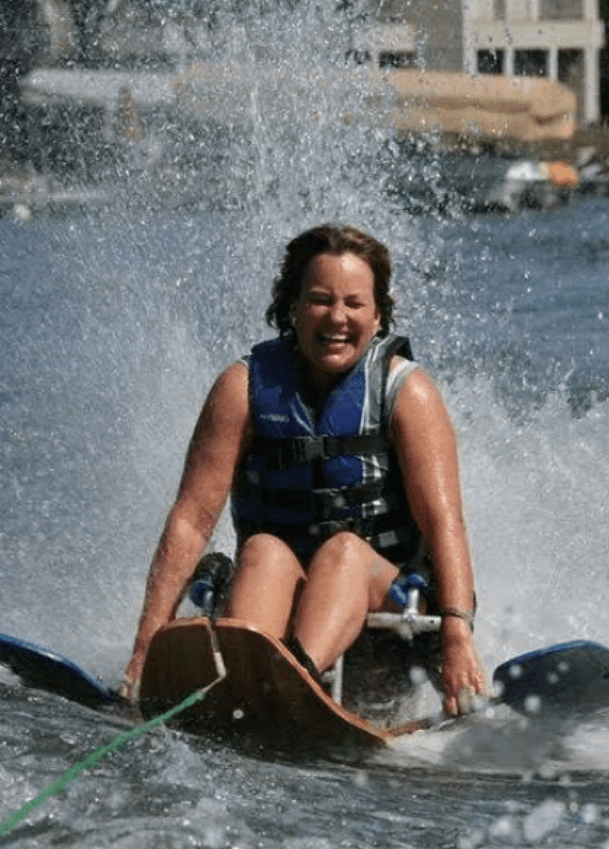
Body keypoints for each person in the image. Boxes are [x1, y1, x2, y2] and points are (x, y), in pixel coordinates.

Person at [120, 224, 488, 718]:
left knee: (343, 555)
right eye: (319, 300)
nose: (337, 317)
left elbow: (445, 524)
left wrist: (458, 635)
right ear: (291, 306)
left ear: (378, 315)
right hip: (279, 590)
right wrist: (145, 652)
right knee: (263, 550)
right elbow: (191, 520)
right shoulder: (242, 389)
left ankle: (294, 687)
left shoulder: (408, 393)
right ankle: (250, 687)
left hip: (387, 610)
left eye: (354, 303)